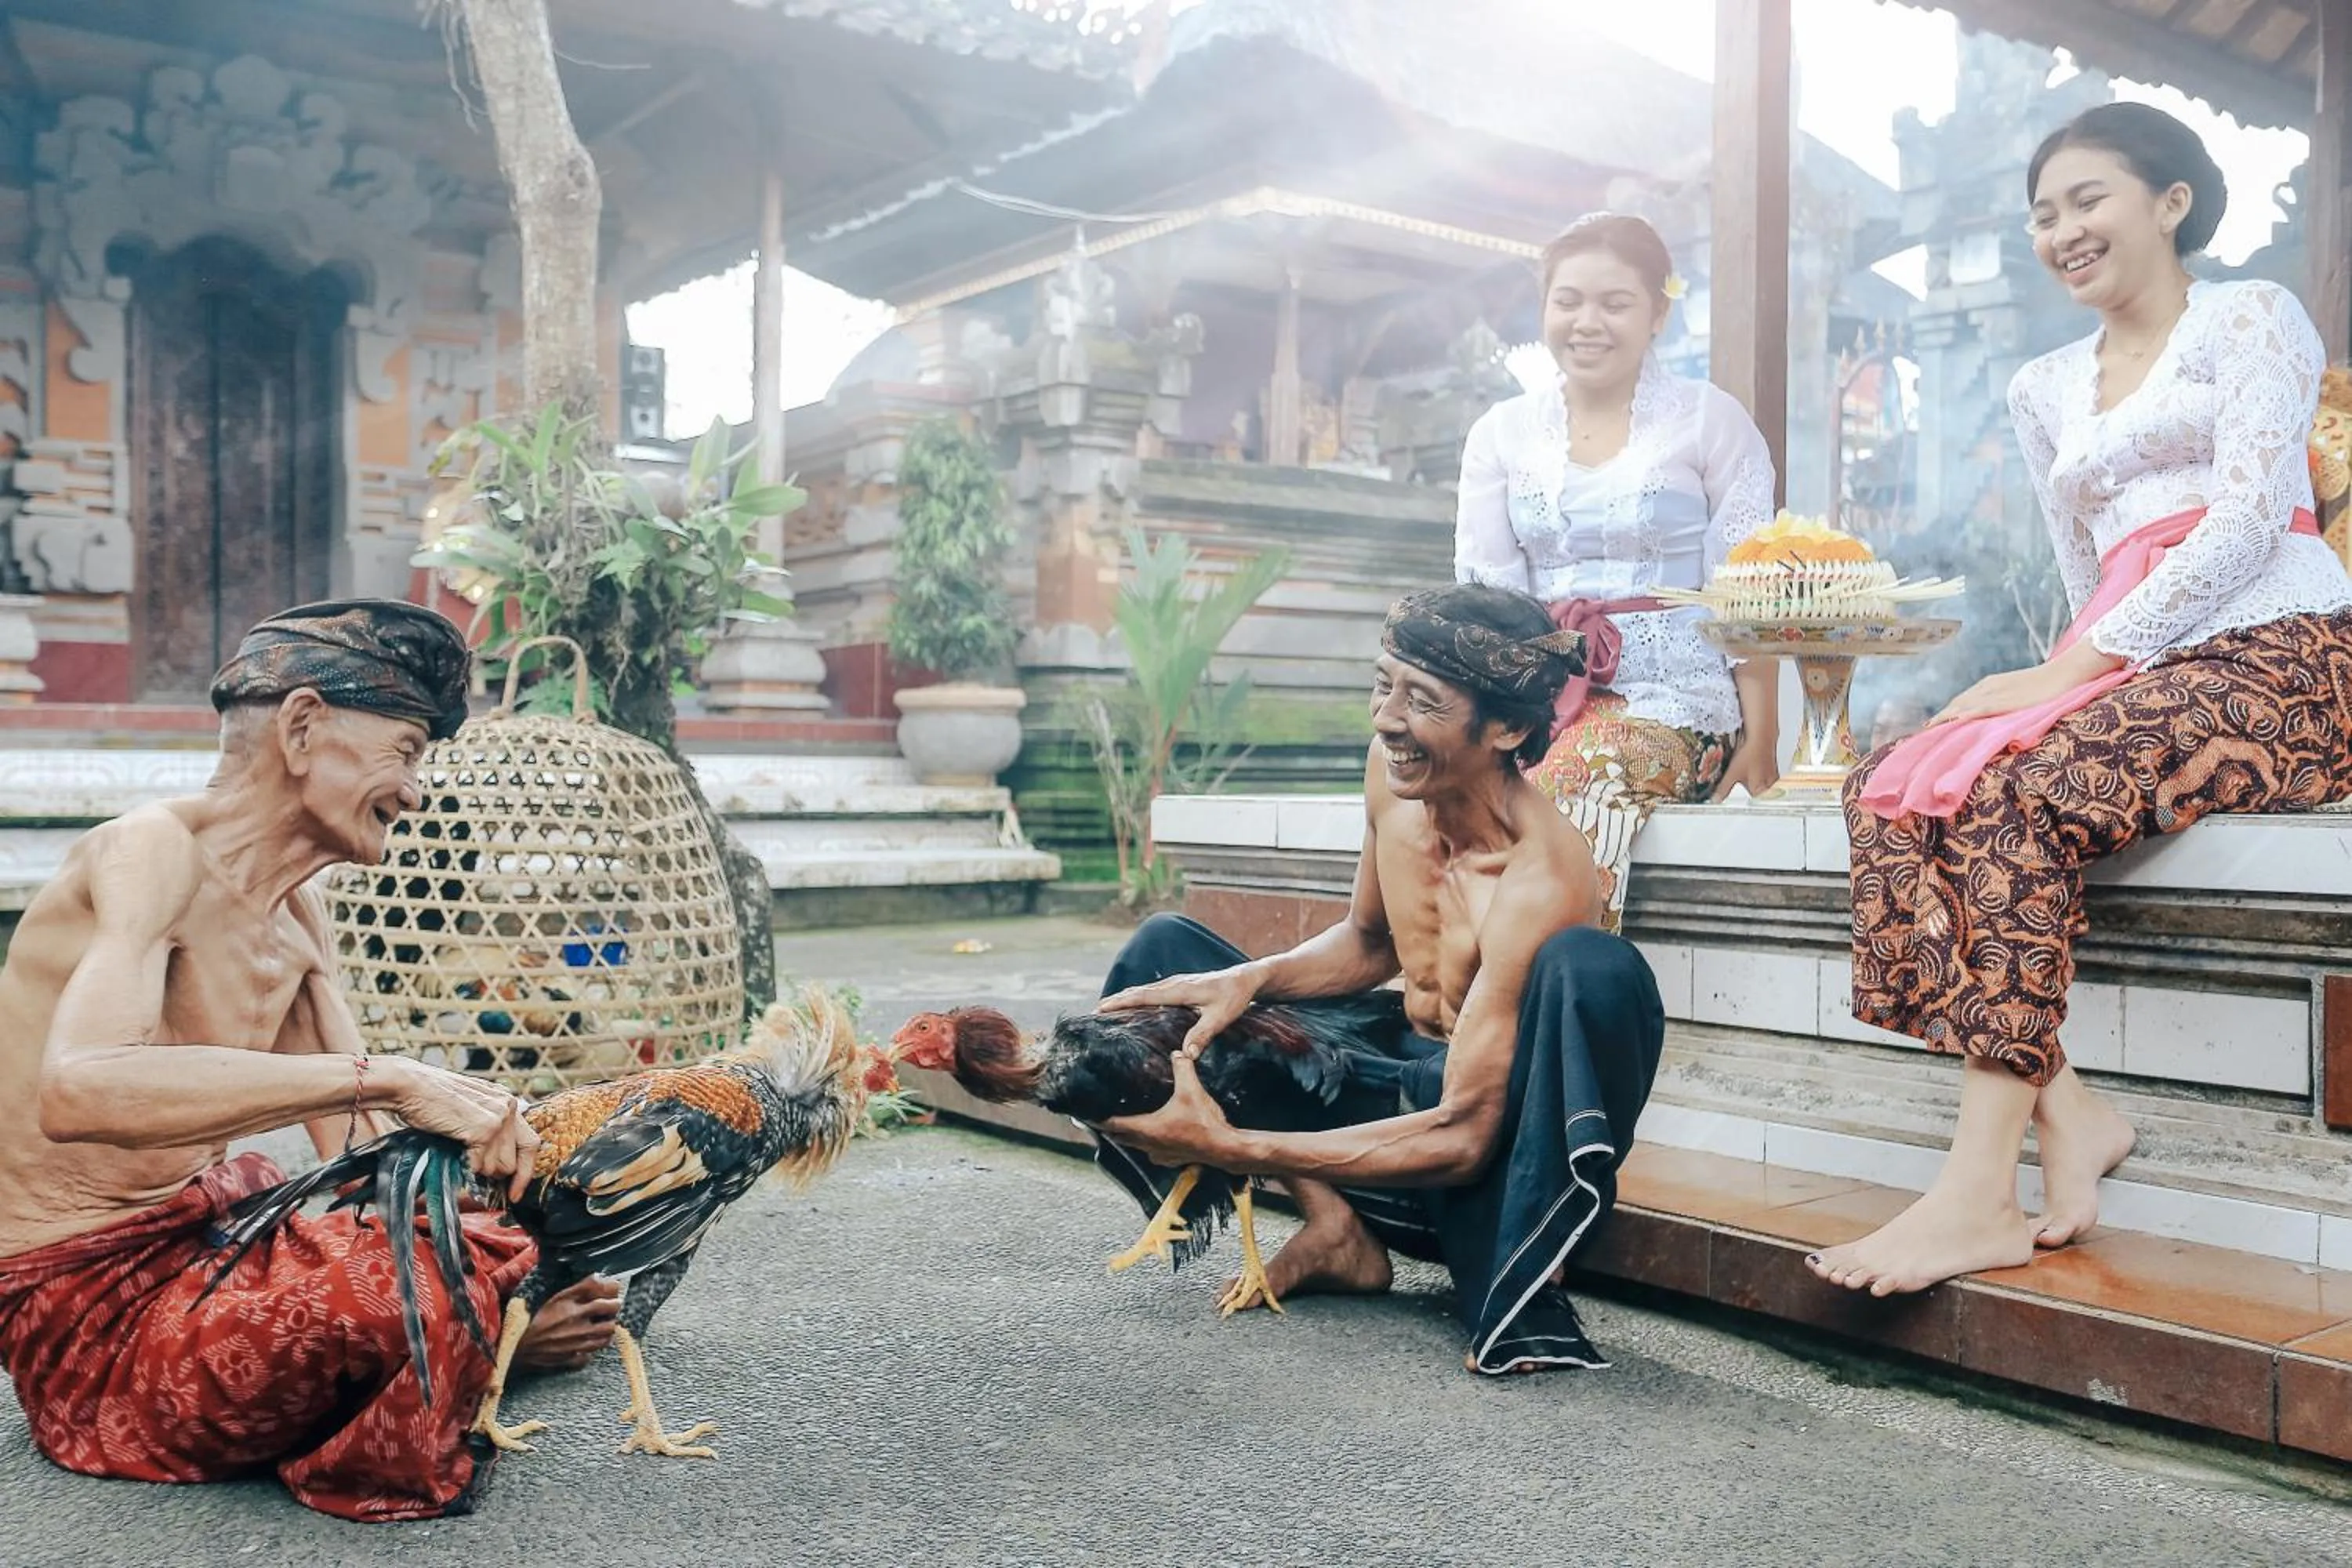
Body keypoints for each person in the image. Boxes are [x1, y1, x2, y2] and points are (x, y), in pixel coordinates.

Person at [1816, 103, 2352, 1296]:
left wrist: (2074, 678)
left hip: (2286, 652)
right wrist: (2076, 672)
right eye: (2044, 213)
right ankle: (2075, 1113)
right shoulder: (2043, 383)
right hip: (2143, 659)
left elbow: (2252, 518)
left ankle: (1973, 1198)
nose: (2062, 230)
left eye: (2089, 199)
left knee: (2030, 790)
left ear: (2170, 202)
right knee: (1897, 784)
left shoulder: (2253, 314)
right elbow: (2080, 566)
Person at [0, 601, 619, 1523]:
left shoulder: (298, 913)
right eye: (406, 751)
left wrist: (517, 1177)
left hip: (195, 1246)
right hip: (89, 1323)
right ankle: (474, 1352)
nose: (414, 792)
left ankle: (461, 1333)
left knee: (479, 1247)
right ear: (300, 727)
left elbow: (368, 1165)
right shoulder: (150, 850)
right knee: (393, 1294)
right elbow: (79, 1086)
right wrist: (402, 1077)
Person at [1098, 583, 1666, 1374]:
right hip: (1398, 1076)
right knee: (1168, 958)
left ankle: (1525, 1251)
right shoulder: (1395, 778)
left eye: (1421, 699)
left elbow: (1467, 1133)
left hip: (1476, 1141)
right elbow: (1369, 943)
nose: (1385, 718)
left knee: (1600, 968)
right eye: (1382, 684)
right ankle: (1336, 1228)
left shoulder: (1545, 874)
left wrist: (1231, 1144)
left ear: (1505, 727)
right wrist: (1249, 981)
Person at [1454, 212, 1782, 931]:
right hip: (1539, 703)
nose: (1587, 322)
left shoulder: (1710, 421)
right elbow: (1490, 600)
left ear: (1659, 312)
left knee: (1571, 784)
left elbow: (1747, 590)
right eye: (1568, 301)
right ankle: (1448, 1007)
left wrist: (1762, 740)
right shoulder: (1500, 434)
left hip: (1677, 702)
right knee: (1438, 790)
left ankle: (1543, 1003)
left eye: (1615, 302)